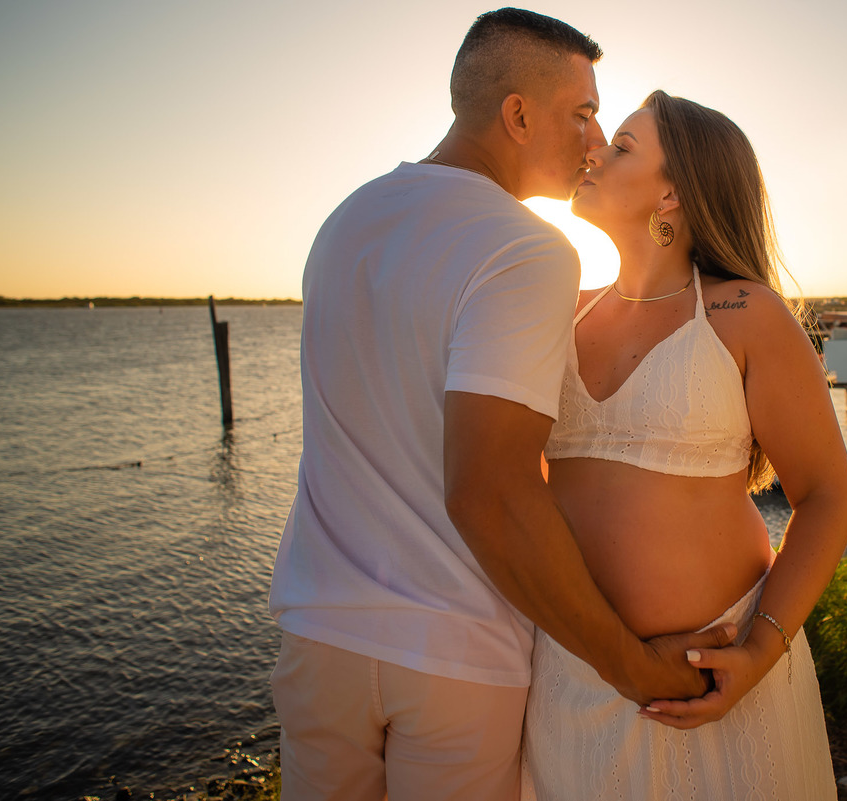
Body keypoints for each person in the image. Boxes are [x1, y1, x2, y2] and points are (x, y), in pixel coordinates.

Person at [268, 11, 731, 801]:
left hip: (318, 636)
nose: (593, 140)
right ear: (517, 114)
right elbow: (491, 488)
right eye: (582, 114)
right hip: (451, 659)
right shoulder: (523, 247)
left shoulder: (344, 222)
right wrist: (628, 662)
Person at [522, 91, 847, 799]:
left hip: (719, 676)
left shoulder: (743, 314)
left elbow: (827, 496)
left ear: (671, 192)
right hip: (572, 675)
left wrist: (762, 646)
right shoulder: (561, 313)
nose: (593, 154)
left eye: (621, 147)